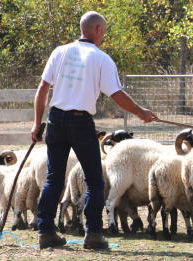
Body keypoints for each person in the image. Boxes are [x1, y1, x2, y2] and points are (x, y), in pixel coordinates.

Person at [31, 11, 157, 249]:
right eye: (104, 31)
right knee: (95, 180)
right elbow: (117, 94)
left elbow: (43, 88)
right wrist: (142, 113)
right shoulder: (102, 59)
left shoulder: (60, 52)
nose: (104, 35)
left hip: (56, 119)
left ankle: (46, 231)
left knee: (54, 178)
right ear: (98, 30)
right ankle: (94, 234)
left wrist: (37, 123)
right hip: (80, 122)